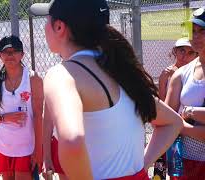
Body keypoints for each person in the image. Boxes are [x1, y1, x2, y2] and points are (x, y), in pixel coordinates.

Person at [30, 0, 183, 179]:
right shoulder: (120, 70)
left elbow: (72, 142)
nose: (44, 28)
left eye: (47, 21)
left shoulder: (61, 74)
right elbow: (173, 122)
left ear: (59, 27)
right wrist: (141, 166)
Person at [0, 35, 43, 180]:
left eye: (15, 51)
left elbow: (38, 115)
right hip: (3, 145)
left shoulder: (32, 79)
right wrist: (5, 118)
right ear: (0, 55)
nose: (10, 55)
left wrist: (38, 149)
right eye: (6, 52)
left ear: (22, 54)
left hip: (27, 147)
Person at [165, 7, 205, 179]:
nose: (195, 37)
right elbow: (166, 120)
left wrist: (190, 113)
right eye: (193, 31)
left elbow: (175, 123)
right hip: (186, 163)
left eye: (202, 31)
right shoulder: (181, 74)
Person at [154, 37, 197, 180]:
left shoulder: (194, 75)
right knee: (161, 170)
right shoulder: (167, 72)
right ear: (175, 52)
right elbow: (163, 106)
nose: (185, 56)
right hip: (169, 128)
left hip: (186, 131)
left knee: (178, 172)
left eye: (191, 53)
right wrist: (162, 82)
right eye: (182, 51)